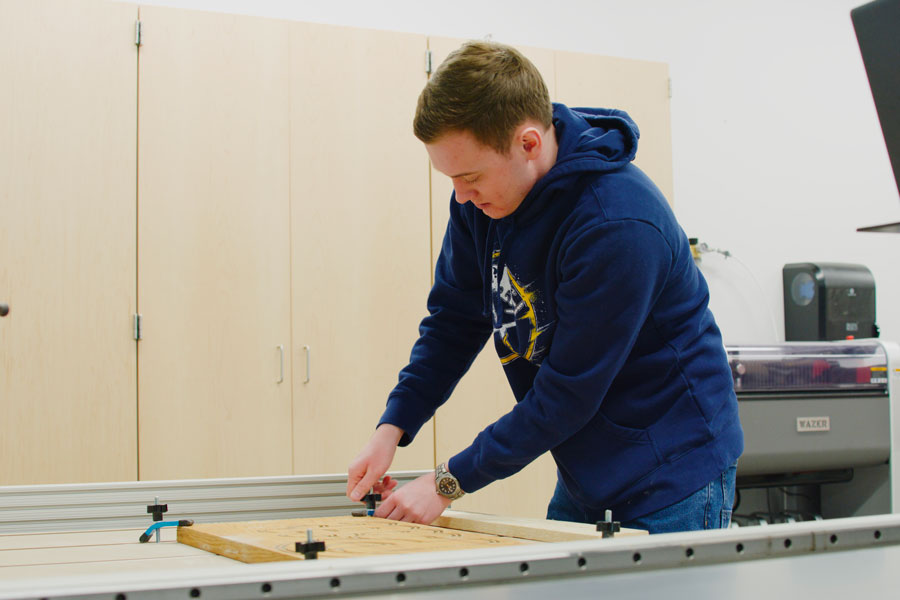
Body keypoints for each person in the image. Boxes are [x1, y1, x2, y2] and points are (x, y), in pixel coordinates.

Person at [346, 40, 743, 534]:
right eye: (450, 178)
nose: (461, 196)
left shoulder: (616, 224)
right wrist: (392, 428)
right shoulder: (481, 202)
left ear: (528, 144)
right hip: (586, 462)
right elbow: (454, 320)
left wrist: (447, 482)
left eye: (470, 176)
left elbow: (566, 393)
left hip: (671, 470)